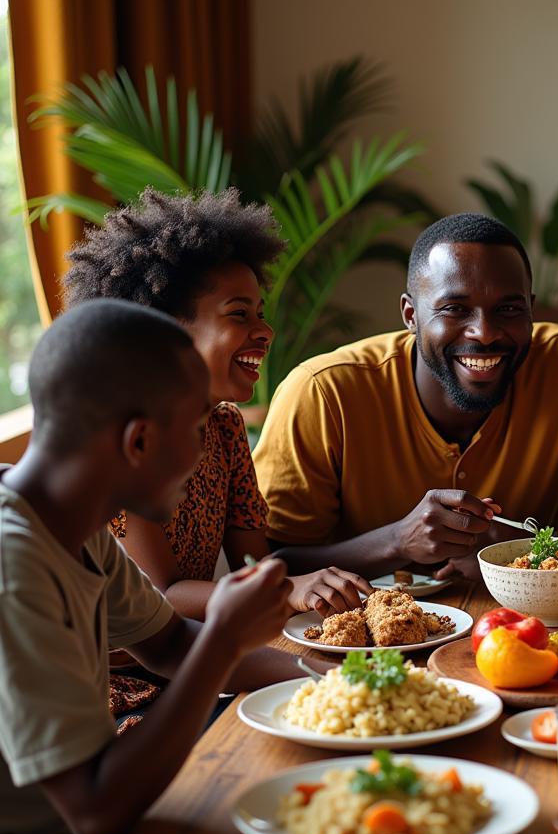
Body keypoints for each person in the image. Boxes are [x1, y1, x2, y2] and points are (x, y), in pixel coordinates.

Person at [0, 300, 330, 834]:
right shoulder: (15, 567)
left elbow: (172, 643)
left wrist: (330, 684)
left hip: (71, 828)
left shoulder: (75, 522)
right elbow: (96, 811)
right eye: (197, 425)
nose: (205, 448)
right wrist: (228, 637)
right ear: (139, 440)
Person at [253, 212, 558, 579]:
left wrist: (519, 548)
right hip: (362, 638)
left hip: (526, 626)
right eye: (454, 309)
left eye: (509, 309)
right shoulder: (323, 392)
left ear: (531, 309)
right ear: (410, 315)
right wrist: (398, 541)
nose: (485, 332)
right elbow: (264, 564)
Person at [62, 189, 370, 620]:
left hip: (196, 649)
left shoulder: (224, 427)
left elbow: (253, 569)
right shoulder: (127, 440)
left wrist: (308, 585)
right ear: (166, 331)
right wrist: (287, 590)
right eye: (239, 314)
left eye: (260, 314)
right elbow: (162, 595)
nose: (266, 332)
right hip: (118, 676)